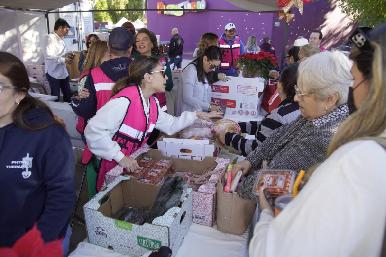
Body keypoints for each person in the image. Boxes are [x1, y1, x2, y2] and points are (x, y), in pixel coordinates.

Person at [249, 24, 386, 257]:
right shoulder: (364, 149)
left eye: (354, 80)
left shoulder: (358, 159)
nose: (350, 88)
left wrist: (266, 215)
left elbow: (274, 251)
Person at [84, 56, 222, 191]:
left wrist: (196, 115)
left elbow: (171, 124)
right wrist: (120, 157)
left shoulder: (152, 103)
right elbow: (93, 131)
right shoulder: (124, 101)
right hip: (114, 168)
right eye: (162, 73)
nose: (166, 77)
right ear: (148, 77)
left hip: (133, 165)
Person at [228, 51, 351, 200]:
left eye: (303, 93)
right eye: (297, 90)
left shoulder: (324, 137)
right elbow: (279, 136)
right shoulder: (318, 115)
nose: (296, 98)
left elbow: (272, 180)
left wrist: (237, 184)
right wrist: (250, 160)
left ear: (330, 99)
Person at [0, 52, 75, 247]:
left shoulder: (46, 134)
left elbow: (62, 196)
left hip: (31, 242)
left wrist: (36, 244)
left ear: (20, 94)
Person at [219, 63, 301, 156]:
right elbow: (268, 127)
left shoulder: (280, 115)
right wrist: (239, 126)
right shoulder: (298, 110)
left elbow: (256, 149)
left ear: (280, 85)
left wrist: (228, 137)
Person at [135, 28, 173, 108]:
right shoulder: (133, 64)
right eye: (137, 40)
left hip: (159, 107)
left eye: (144, 39)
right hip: (139, 107)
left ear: (152, 44)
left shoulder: (162, 61)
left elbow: (169, 85)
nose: (140, 42)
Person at [181, 46, 222, 112]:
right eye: (212, 66)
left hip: (202, 117)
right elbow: (187, 98)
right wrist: (209, 107)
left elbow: (202, 97)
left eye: (216, 67)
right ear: (205, 59)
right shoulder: (191, 70)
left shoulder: (206, 72)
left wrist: (210, 105)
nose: (213, 69)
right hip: (190, 117)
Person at [44, 18, 73, 102]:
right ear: (60, 28)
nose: (67, 32)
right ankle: (55, 114)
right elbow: (48, 55)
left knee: (68, 95)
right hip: (53, 73)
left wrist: (68, 55)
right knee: (55, 97)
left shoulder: (62, 40)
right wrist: (63, 60)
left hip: (63, 72)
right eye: (66, 29)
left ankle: (70, 111)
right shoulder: (49, 38)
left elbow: (61, 54)